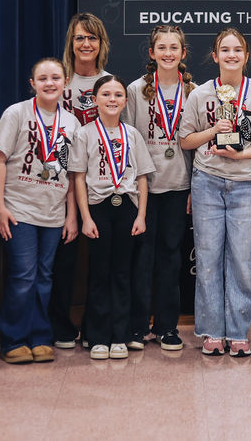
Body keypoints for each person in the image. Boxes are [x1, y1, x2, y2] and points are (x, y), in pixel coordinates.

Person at [179, 28, 251, 357]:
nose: (231, 55)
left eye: (238, 50)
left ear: (246, 56)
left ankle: (237, 331)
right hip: (207, 181)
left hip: (246, 184)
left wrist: (240, 154)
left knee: (241, 261)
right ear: (215, 56)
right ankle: (210, 331)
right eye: (225, 49)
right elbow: (185, 140)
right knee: (207, 259)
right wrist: (211, 132)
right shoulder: (200, 94)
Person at [0, 58, 79, 365]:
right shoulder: (16, 113)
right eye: (43, 78)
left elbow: (69, 172)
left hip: (53, 213)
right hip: (19, 210)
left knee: (44, 277)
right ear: (33, 83)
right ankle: (13, 339)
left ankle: (40, 337)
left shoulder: (71, 123)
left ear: (65, 82)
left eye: (55, 77)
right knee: (23, 276)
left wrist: (71, 216)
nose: (50, 83)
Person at [70, 75, 155, 360]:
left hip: (128, 207)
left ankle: (120, 335)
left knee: (122, 273)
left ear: (125, 101)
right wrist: (85, 217)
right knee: (99, 274)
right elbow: (79, 178)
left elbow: (142, 177)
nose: (112, 99)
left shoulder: (132, 133)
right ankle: (97, 336)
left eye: (118, 95)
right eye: (106, 94)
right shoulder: (85, 133)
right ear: (95, 100)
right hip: (98, 208)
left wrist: (141, 215)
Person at [123, 25, 195, 351]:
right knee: (141, 258)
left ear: (182, 53)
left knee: (170, 258)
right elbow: (127, 141)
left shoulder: (193, 91)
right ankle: (137, 325)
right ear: (152, 53)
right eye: (161, 48)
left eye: (174, 48)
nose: (168, 53)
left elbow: (197, 146)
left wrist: (194, 186)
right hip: (144, 188)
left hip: (179, 184)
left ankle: (167, 326)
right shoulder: (135, 90)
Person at [51, 13, 109, 349]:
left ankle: (96, 327)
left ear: (101, 44)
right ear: (70, 43)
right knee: (65, 259)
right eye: (79, 38)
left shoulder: (111, 82)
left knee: (102, 261)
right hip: (63, 182)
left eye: (92, 38)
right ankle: (61, 325)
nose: (85, 44)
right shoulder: (60, 81)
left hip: (103, 181)